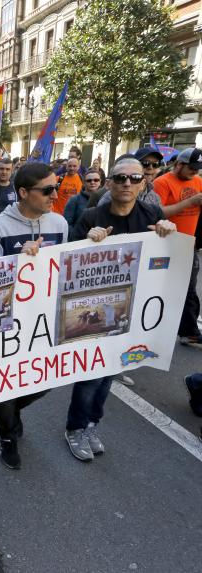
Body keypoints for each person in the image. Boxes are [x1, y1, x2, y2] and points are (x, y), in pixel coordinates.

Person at [65, 158, 175, 461]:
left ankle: (91, 424)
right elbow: (66, 260)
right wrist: (88, 242)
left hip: (131, 311)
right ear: (109, 183)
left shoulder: (152, 213)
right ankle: (75, 428)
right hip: (95, 310)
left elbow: (165, 260)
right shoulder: (90, 215)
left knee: (109, 373)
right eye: (120, 178)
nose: (127, 183)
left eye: (134, 178)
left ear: (143, 184)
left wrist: (169, 233)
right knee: (90, 375)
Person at [0, 163, 68, 469]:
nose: (54, 195)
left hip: (42, 320)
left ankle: (13, 409)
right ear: (23, 192)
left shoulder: (59, 223)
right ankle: (7, 435)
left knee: (45, 380)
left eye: (55, 188)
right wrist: (19, 260)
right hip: (7, 320)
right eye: (47, 190)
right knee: (5, 382)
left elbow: (64, 269)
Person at [152, 147, 202, 346]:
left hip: (188, 244)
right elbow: (157, 213)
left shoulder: (198, 181)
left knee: (189, 290)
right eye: (191, 168)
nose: (195, 172)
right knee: (159, 288)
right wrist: (190, 201)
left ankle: (189, 331)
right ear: (179, 164)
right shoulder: (161, 182)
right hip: (165, 244)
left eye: (198, 169)